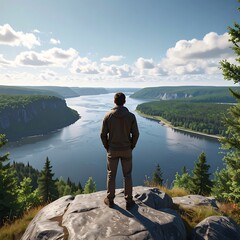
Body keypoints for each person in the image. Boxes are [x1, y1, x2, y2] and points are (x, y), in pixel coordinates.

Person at [100, 92, 139, 210]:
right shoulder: (131, 116)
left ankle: (110, 200)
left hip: (112, 149)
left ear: (114, 101)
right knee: (127, 175)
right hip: (126, 149)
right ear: (125, 101)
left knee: (111, 175)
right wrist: (131, 146)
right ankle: (129, 201)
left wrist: (107, 147)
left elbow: (102, 134)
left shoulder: (108, 116)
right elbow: (136, 134)